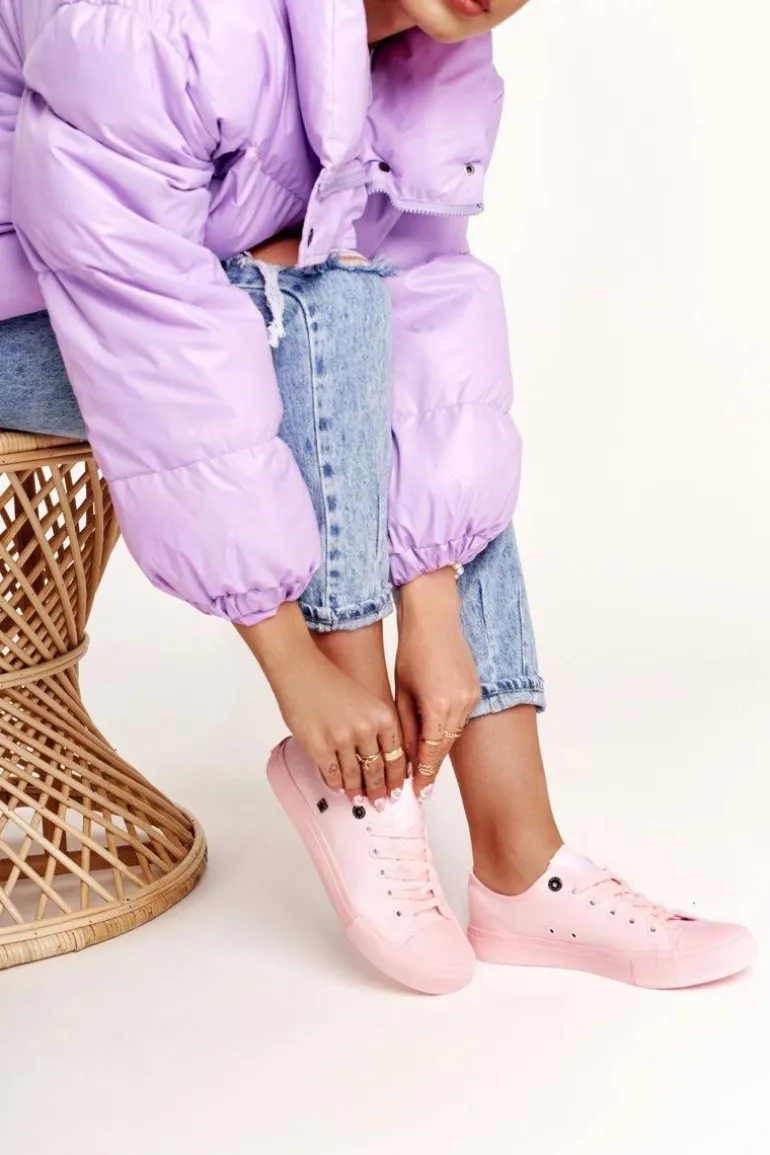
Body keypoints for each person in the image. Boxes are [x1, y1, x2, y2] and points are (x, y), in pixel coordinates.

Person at [0, 0, 755, 993]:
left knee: (380, 339)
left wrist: (432, 595)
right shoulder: (176, 22)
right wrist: (295, 664)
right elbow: (145, 320)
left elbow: (429, 321)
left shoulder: (428, 55)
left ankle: (521, 865)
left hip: (179, 308)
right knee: (321, 310)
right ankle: (358, 780)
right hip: (37, 307)